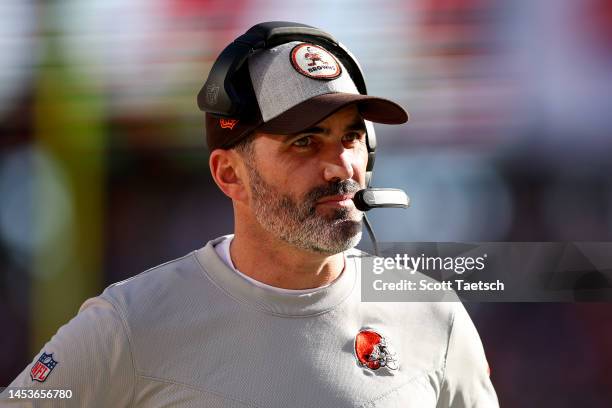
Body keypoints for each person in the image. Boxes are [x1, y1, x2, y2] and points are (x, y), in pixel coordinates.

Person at [2, 22, 498, 407]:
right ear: (229, 174)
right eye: (304, 142)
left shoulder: (433, 316)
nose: (340, 166)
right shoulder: (129, 325)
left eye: (350, 136)